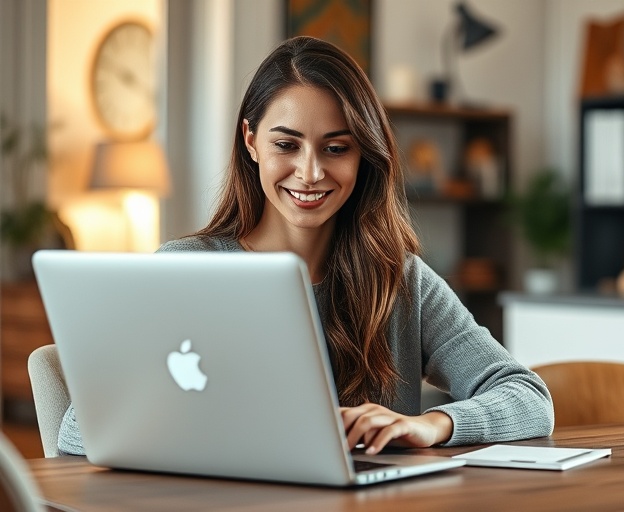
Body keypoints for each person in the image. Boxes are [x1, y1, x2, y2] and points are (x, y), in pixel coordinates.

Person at [57, 36, 553, 456]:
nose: (311, 172)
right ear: (250, 141)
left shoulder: (401, 280)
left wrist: (432, 424)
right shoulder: (183, 270)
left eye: (336, 148)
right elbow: (78, 432)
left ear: (363, 155)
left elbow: (529, 398)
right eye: (286, 145)